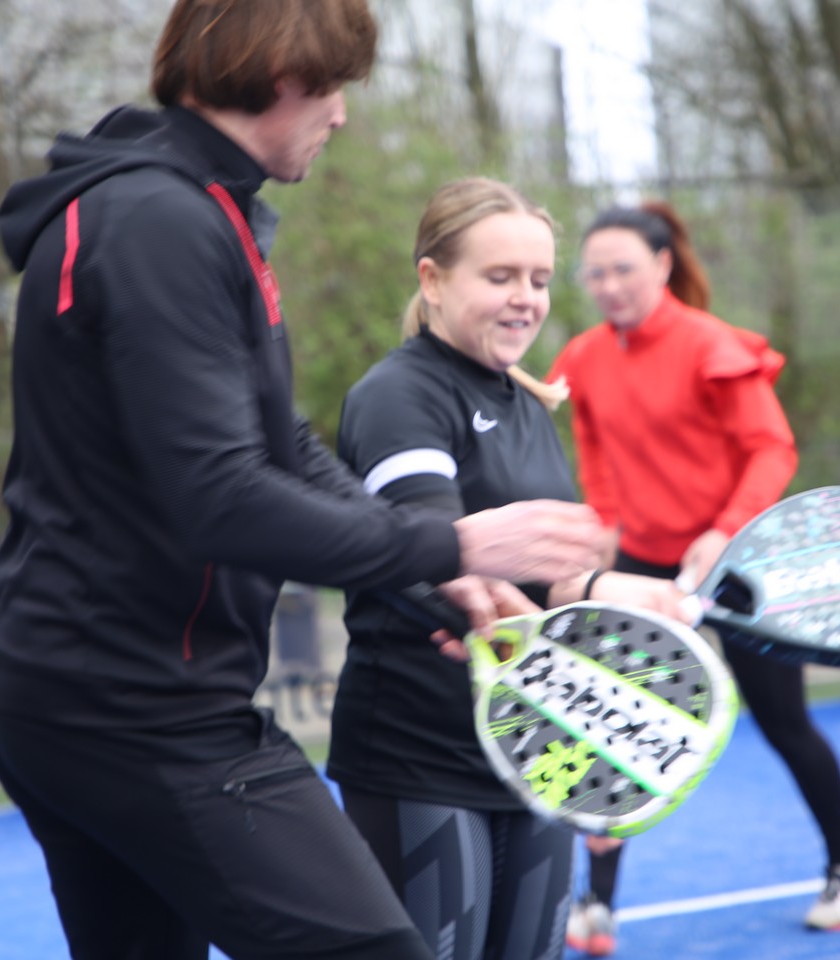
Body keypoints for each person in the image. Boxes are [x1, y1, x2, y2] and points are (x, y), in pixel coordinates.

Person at [0, 5, 607, 959]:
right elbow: (223, 496)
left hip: (95, 693)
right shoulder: (160, 221)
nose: (340, 114)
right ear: (280, 74)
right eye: (333, 86)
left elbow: (281, 448)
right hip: (133, 707)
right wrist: (452, 541)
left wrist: (437, 570)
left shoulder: (190, 209)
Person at [330, 178, 697, 960]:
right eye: (500, 277)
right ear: (433, 280)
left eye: (538, 279)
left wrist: (621, 592)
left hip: (534, 745)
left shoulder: (528, 405)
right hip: (418, 752)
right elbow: (437, 549)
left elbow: (540, 576)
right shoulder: (397, 395)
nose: (525, 298)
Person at [551, 200, 840, 952]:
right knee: (611, 731)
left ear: (663, 265)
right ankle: (596, 906)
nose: (608, 286)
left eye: (623, 269)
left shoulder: (711, 346)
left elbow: (772, 448)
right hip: (638, 571)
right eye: (594, 273)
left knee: (785, 724)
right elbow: (596, 455)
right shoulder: (584, 358)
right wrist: (605, 532)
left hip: (739, 567)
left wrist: (723, 531)